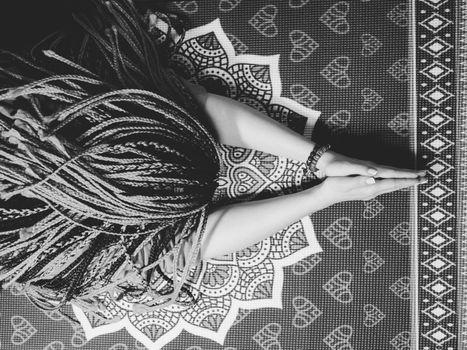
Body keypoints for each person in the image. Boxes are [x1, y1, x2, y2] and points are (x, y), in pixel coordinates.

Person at [0, 0, 427, 323]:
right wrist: (323, 192)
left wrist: (318, 158)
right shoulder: (30, 243)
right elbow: (181, 248)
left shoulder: (33, 68)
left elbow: (190, 108)